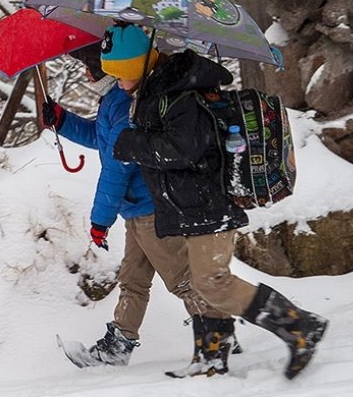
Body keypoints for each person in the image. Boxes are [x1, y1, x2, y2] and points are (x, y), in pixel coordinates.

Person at [112, 48, 329, 379]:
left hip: (208, 203)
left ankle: (299, 325)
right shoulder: (163, 94)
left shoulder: (180, 96)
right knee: (204, 282)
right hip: (195, 205)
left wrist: (133, 143)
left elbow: (183, 149)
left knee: (211, 282)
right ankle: (211, 356)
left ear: (135, 66)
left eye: (119, 71)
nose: (116, 79)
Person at [42, 25, 239, 372]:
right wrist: (63, 121)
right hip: (135, 210)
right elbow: (100, 139)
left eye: (90, 69)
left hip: (150, 208)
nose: (86, 75)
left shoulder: (123, 104)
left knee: (180, 278)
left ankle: (218, 334)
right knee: (133, 278)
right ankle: (118, 345)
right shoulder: (112, 101)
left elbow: (116, 170)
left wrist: (100, 221)